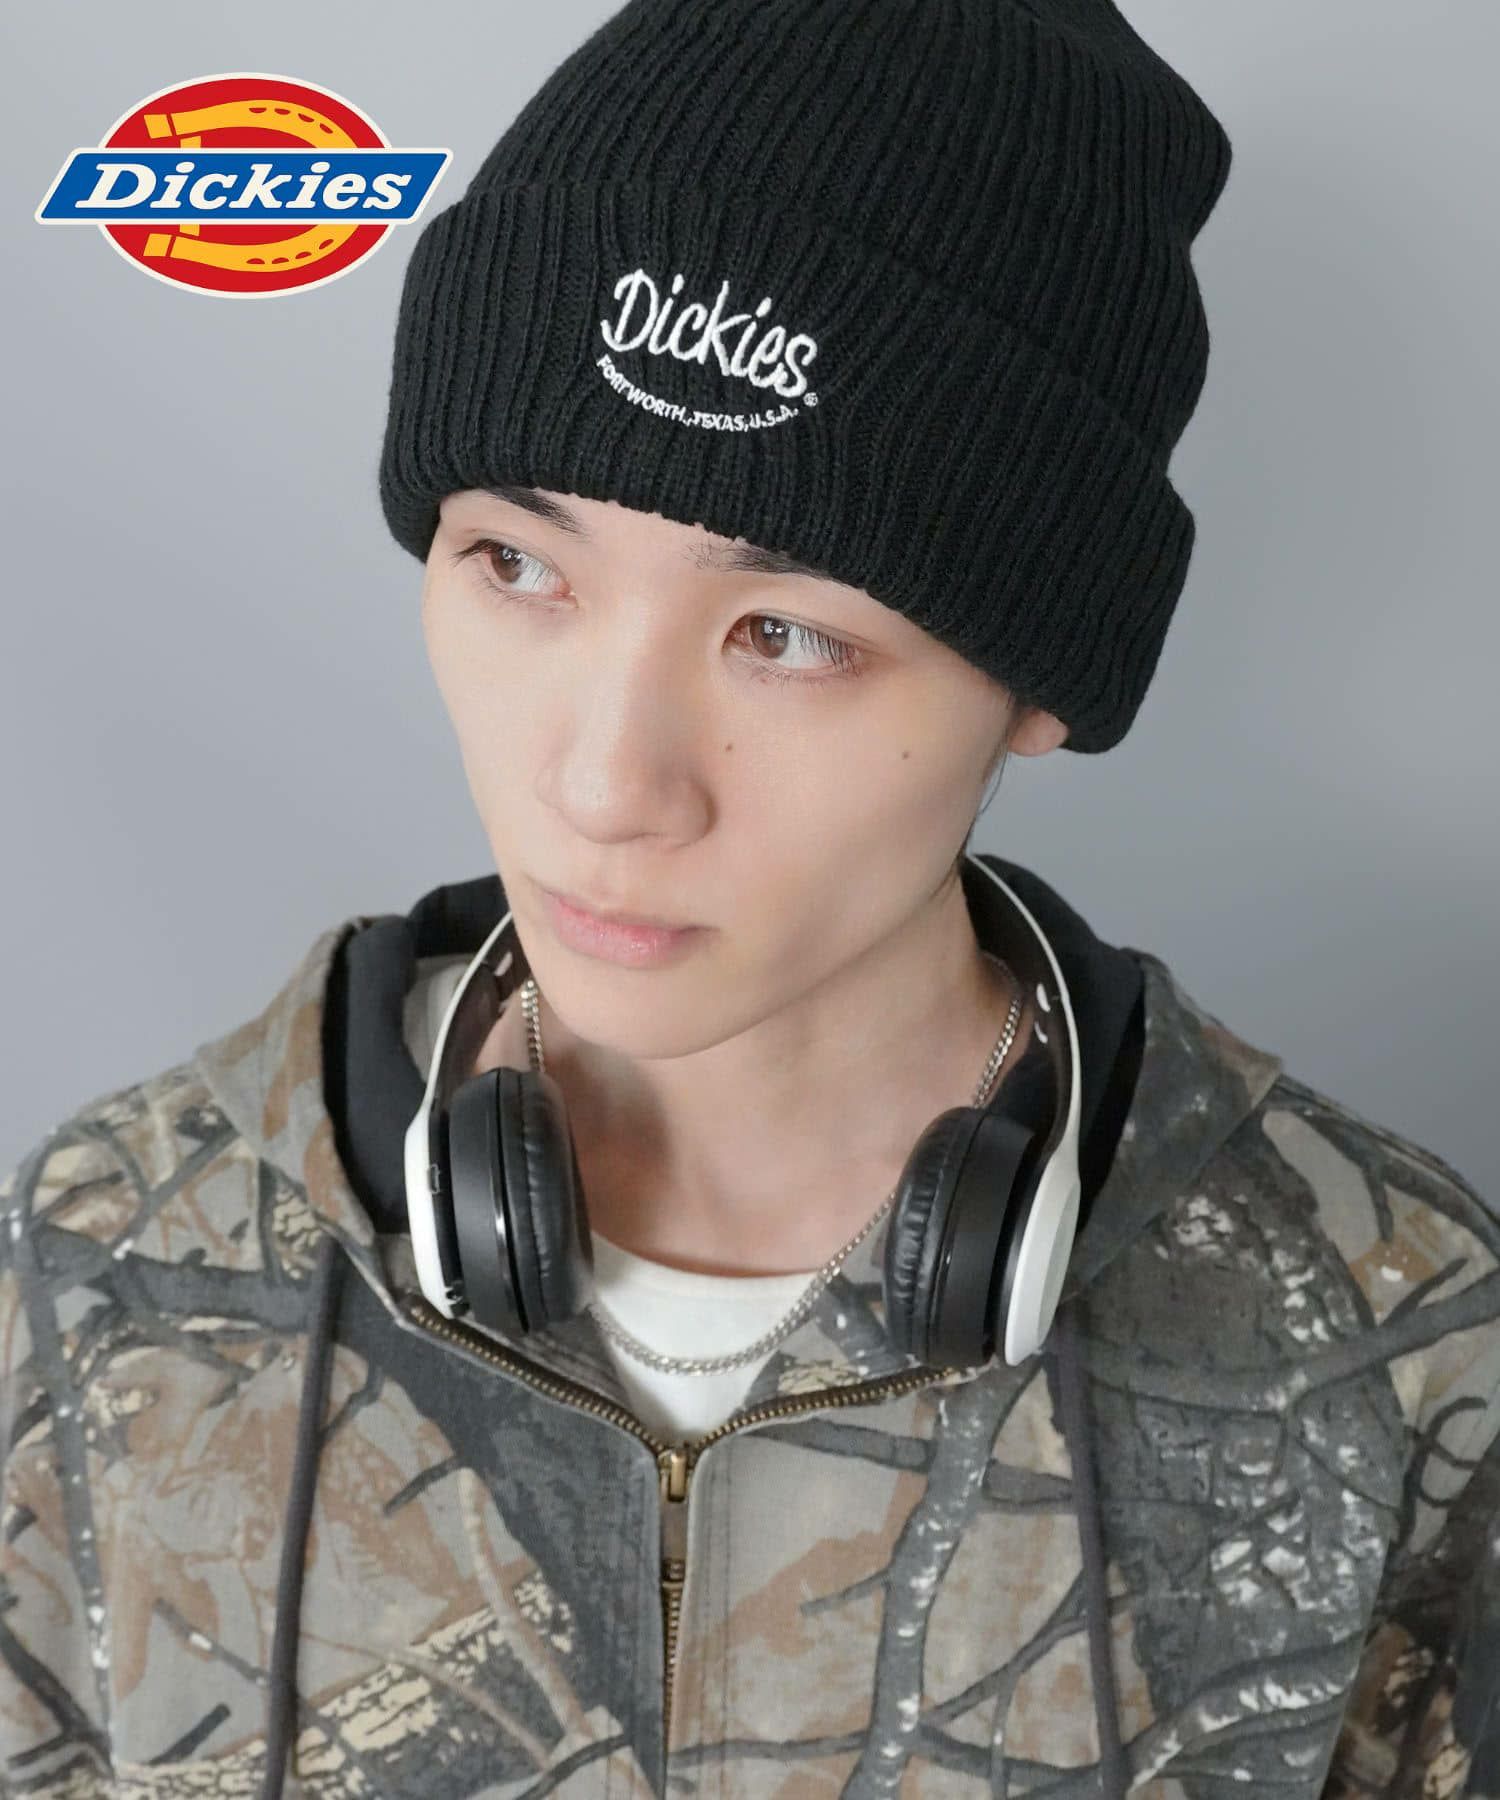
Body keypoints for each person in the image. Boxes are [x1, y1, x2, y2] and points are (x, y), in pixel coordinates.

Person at [3, 3, 1496, 1797]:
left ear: (1040, 682)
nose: (602, 785)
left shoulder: (1416, 1348)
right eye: (516, 564)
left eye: (786, 634)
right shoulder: (92, 1271)